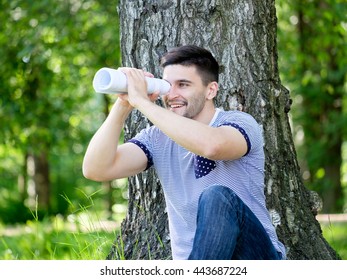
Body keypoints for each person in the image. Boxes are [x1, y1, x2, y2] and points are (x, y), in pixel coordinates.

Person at [82, 45, 286, 260]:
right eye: (168, 85)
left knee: (217, 196)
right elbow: (96, 169)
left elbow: (212, 146)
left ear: (211, 90)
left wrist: (142, 102)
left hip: (255, 258)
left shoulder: (238, 123)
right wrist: (123, 104)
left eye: (183, 85)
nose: (172, 94)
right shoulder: (156, 138)